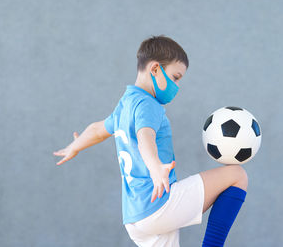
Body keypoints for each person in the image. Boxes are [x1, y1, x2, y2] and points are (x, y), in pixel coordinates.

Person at [53, 35, 248, 247]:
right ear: (155, 69)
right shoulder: (148, 104)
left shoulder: (126, 103)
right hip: (158, 204)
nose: (177, 86)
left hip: (135, 217)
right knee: (236, 175)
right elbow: (145, 137)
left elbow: (97, 130)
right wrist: (155, 168)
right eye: (175, 77)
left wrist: (75, 146)